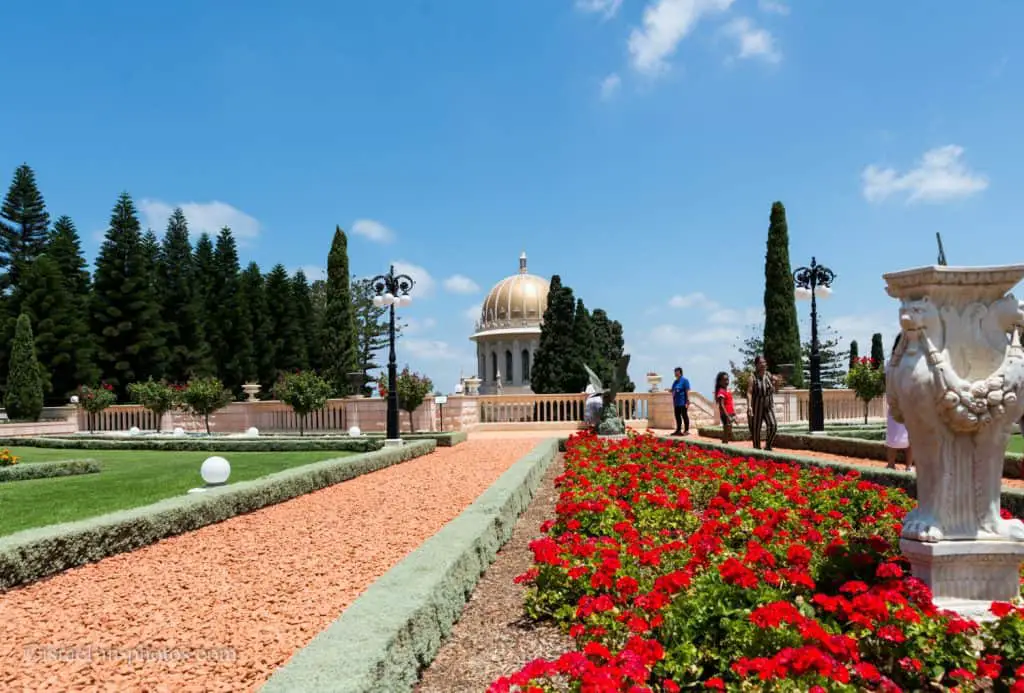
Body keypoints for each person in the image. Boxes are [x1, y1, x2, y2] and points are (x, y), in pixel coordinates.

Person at [885, 334, 913, 470]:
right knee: (894, 434)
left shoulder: (911, 360)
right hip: (898, 401)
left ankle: (907, 466)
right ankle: (893, 464)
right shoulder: (892, 362)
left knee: (910, 436)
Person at [746, 355, 778, 450]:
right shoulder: (752, 377)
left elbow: (774, 390)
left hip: (768, 405)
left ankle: (768, 446)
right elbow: (749, 392)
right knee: (756, 430)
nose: (763, 364)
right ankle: (757, 451)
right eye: (761, 363)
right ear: (756, 365)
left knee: (773, 425)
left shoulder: (768, 375)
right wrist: (749, 407)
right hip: (756, 407)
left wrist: (775, 383)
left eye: (764, 362)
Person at [714, 371, 737, 443]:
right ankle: (724, 446)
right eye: (724, 380)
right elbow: (721, 405)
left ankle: (724, 445)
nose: (726, 381)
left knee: (728, 432)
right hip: (725, 414)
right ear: (720, 382)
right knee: (726, 432)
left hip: (730, 413)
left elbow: (730, 403)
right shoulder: (721, 391)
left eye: (727, 379)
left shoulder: (726, 391)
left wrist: (734, 414)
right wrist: (727, 416)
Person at [670, 366, 691, 436]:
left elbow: (687, 390)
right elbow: (673, 390)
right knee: (677, 416)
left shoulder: (685, 381)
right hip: (676, 402)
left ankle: (686, 430)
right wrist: (671, 391)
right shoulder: (675, 382)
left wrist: (687, 400)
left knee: (684, 416)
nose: (675, 374)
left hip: (683, 401)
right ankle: (678, 430)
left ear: (680, 373)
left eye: (677, 372)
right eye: (675, 372)